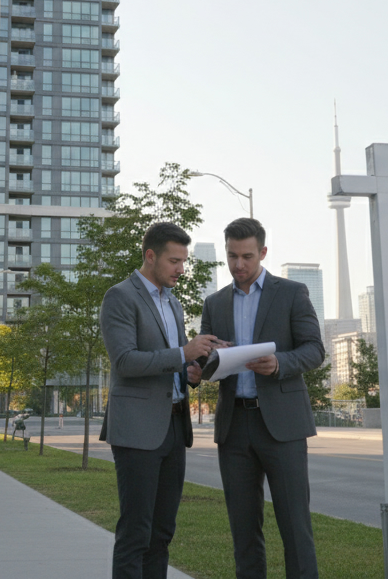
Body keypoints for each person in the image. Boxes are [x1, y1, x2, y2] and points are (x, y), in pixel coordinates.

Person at [200, 217, 325, 579]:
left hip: (282, 427)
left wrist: (279, 363)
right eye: (232, 256)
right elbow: (203, 360)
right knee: (243, 531)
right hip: (234, 426)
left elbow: (315, 350)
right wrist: (208, 358)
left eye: (247, 257)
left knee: (295, 527)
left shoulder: (292, 293)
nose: (239, 265)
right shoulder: (215, 302)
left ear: (263, 253)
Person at [100, 222, 219, 579]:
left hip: (174, 427)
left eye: (184, 261)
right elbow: (125, 361)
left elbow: (173, 363)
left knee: (162, 533)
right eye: (174, 260)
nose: (181, 269)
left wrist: (191, 371)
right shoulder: (120, 296)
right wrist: (182, 352)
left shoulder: (176, 305)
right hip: (137, 430)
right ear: (150, 256)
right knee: (136, 532)